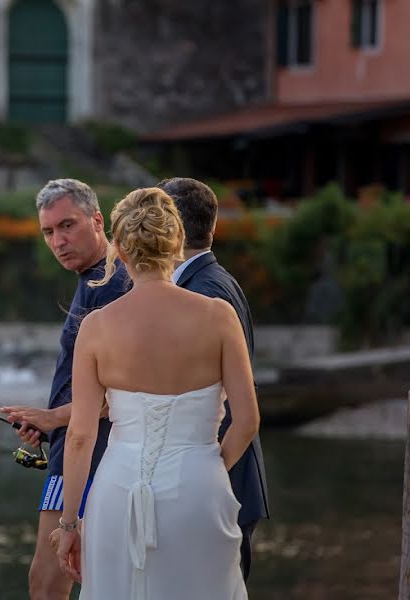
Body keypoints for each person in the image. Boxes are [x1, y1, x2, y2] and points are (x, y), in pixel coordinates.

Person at [56, 187, 259, 598]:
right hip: (200, 488)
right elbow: (248, 420)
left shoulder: (96, 327)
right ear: (177, 244)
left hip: (115, 493)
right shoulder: (218, 316)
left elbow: (80, 436)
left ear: (120, 251)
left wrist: (69, 525)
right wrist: (209, 465)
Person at [0, 178, 129, 600]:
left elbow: (125, 387)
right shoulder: (92, 279)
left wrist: (56, 418)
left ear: (97, 220)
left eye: (68, 226)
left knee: (48, 579)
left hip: (87, 452)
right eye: (49, 232)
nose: (58, 240)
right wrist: (49, 424)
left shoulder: (109, 285)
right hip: (72, 444)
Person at [158, 176, 270, 580]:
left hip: (221, 479)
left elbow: (231, 402)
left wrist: (206, 473)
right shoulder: (213, 280)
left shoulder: (206, 292)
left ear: (174, 228)